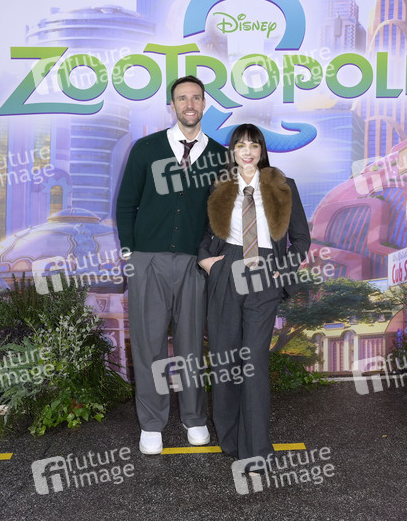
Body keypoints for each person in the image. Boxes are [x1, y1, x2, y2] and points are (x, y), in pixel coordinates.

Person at [116, 75, 227, 455]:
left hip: (196, 263)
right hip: (148, 260)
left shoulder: (219, 156)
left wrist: (213, 257)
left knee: (191, 345)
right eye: (182, 98)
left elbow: (223, 214)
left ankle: (194, 418)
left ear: (204, 104)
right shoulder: (146, 148)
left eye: (195, 98)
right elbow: (126, 203)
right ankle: (151, 423)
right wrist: (129, 253)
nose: (189, 104)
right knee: (149, 345)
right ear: (173, 105)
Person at [197, 123, 310, 467]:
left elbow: (301, 239)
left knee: (254, 362)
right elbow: (205, 233)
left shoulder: (283, 186)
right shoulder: (220, 186)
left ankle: (257, 448)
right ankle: (231, 439)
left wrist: (281, 269)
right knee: (226, 359)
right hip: (227, 269)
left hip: (265, 271)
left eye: (254, 145)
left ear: (262, 150)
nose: (247, 152)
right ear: (233, 151)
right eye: (240, 146)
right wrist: (206, 262)